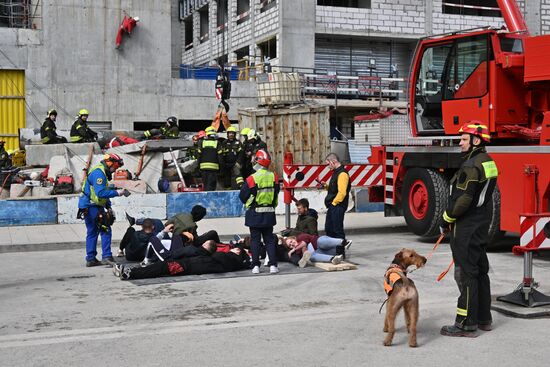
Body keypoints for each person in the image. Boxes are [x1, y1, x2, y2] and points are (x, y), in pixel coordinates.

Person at [440, 121, 498, 337]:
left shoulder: (471, 165)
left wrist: (446, 219)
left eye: (464, 139)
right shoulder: (489, 162)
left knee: (466, 274)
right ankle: (484, 319)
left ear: (476, 141)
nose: (460, 142)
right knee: (480, 271)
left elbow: (464, 198)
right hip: (482, 223)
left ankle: (465, 324)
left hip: (467, 227)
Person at [78, 153, 131, 267]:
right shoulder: (99, 174)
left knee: (92, 232)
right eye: (115, 167)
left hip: (88, 205)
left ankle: (91, 259)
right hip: (92, 206)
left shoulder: (100, 171)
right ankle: (107, 256)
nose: (115, 170)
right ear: (110, 163)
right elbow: (101, 193)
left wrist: (108, 206)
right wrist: (118, 192)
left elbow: (101, 191)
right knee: (105, 229)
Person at [239, 149, 280, 274]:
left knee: (255, 240)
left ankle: (256, 266)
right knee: (269, 239)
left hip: (255, 213)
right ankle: (273, 266)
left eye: (256, 159)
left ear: (259, 161)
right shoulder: (274, 176)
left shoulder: (252, 178)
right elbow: (276, 193)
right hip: (269, 213)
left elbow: (243, 196)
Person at [114, 247, 250, 280]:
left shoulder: (229, 259)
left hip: (187, 266)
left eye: (235, 248)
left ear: (238, 252)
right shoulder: (229, 260)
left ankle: (129, 273)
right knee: (158, 268)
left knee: (158, 269)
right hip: (188, 264)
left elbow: (216, 256)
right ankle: (130, 272)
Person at [323, 153, 350, 240]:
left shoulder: (342, 174)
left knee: (337, 230)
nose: (328, 166)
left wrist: (334, 203)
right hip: (334, 206)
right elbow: (335, 190)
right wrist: (326, 186)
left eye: (328, 164)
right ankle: (333, 250)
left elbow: (342, 193)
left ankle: (340, 250)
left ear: (333, 161)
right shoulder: (336, 172)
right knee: (329, 229)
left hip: (338, 206)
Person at [284, 234, 351, 267]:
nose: (291, 244)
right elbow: (301, 262)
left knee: (320, 241)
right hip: (332, 252)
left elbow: (304, 242)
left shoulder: (300, 237)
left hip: (326, 243)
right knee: (311, 256)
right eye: (290, 245)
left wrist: (294, 249)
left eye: (291, 241)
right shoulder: (297, 253)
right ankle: (333, 259)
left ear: (294, 238)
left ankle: (344, 242)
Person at [197, 126, 223, 191]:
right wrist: (221, 168)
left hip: (203, 168)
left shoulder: (202, 142)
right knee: (211, 186)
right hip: (213, 168)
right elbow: (220, 158)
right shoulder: (217, 143)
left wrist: (198, 167)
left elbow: (199, 156)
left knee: (205, 185)